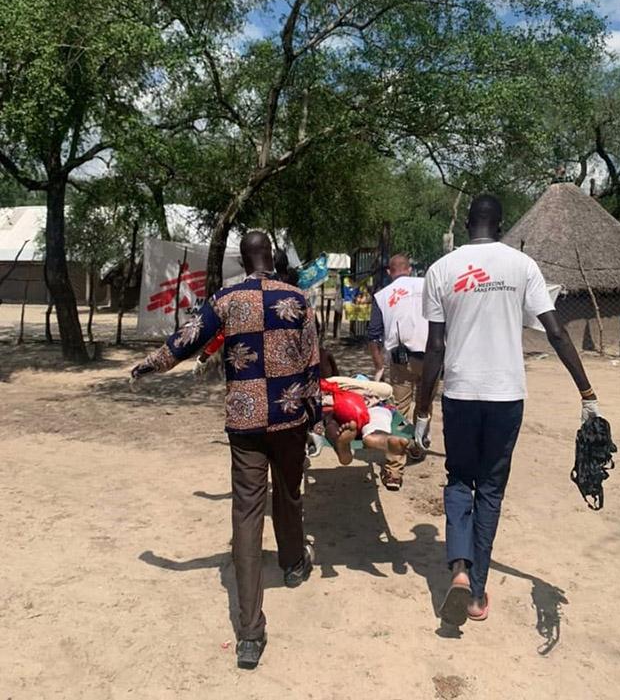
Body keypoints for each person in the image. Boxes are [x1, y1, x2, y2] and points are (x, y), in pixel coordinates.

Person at [130, 231, 321, 669]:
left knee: (247, 514)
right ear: (271, 257)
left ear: (241, 258)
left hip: (245, 422)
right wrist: (313, 417)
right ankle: (293, 564)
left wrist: (149, 365)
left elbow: (187, 339)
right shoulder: (297, 298)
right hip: (289, 418)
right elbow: (312, 362)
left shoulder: (225, 299)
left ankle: (250, 633)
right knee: (289, 495)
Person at [415, 194, 600, 626]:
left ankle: (458, 570)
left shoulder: (442, 270)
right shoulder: (522, 266)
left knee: (459, 480)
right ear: (502, 225)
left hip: (460, 394)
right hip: (505, 396)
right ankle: (477, 594)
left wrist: (422, 411)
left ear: (467, 227)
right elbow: (555, 332)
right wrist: (586, 391)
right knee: (491, 491)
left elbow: (436, 346)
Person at [368, 253, 429, 491]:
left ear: (389, 272)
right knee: (424, 406)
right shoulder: (427, 285)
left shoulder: (382, 296)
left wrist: (379, 366)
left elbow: (373, 334)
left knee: (399, 412)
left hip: (400, 360)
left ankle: (394, 471)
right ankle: (418, 444)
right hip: (432, 358)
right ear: (410, 269)